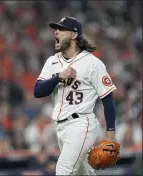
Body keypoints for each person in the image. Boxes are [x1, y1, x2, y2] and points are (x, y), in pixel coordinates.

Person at [34, 16, 117, 175]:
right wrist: (58, 77)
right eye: (55, 29)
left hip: (81, 124)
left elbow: (107, 99)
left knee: (63, 170)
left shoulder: (92, 63)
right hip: (60, 126)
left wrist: (110, 135)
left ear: (73, 35)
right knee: (82, 172)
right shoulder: (52, 61)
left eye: (61, 29)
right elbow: (38, 91)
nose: (56, 32)